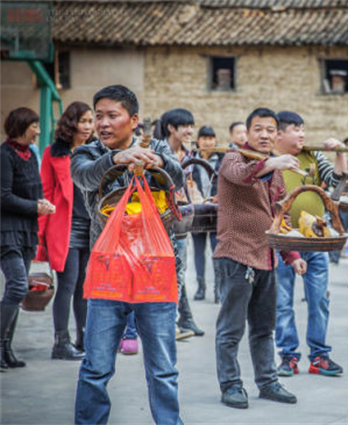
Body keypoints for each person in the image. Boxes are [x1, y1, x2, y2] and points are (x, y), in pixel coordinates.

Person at [71, 85, 185, 425]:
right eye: (98, 116)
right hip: (109, 271)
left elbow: (176, 178)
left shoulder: (158, 146)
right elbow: (86, 178)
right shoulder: (86, 153)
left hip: (154, 272)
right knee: (96, 367)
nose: (103, 124)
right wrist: (116, 159)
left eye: (112, 116)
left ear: (133, 120)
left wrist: (159, 162)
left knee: (163, 368)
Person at [213, 108, 306, 409]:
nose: (264, 135)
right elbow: (241, 176)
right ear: (248, 133)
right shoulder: (233, 158)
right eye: (258, 129)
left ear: (276, 134)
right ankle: (230, 385)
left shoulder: (276, 171)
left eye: (269, 130)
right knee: (231, 329)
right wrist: (271, 162)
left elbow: (280, 215)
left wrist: (291, 255)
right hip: (236, 255)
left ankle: (267, 382)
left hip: (266, 258)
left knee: (264, 328)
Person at [273, 111, 346, 377]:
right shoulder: (271, 161)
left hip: (316, 239)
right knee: (282, 303)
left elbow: (336, 182)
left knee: (319, 301)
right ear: (279, 134)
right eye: (296, 129)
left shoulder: (314, 156)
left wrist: (339, 153)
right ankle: (288, 356)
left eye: (303, 129)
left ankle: (319, 357)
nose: (302, 134)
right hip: (281, 241)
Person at [36, 101, 95, 360]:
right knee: (68, 285)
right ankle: (61, 343)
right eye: (84, 121)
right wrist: (40, 237)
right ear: (71, 124)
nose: (89, 127)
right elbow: (45, 193)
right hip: (65, 227)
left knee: (85, 286)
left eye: (91, 121)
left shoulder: (95, 152)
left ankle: (83, 340)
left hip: (91, 226)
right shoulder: (54, 153)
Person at [0, 107, 55, 370]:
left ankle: (6, 349)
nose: (38, 130)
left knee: (18, 289)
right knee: (18, 286)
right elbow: (3, 196)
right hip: (6, 231)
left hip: (26, 230)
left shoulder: (30, 155)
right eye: (34, 125)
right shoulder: (4, 155)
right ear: (21, 126)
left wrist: (41, 203)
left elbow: (33, 190)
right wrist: (35, 207)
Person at [157, 108, 203, 337]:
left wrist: (201, 199)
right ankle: (167, 323)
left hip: (183, 219)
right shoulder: (158, 152)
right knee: (163, 272)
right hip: (161, 220)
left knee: (180, 271)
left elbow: (193, 186)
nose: (190, 130)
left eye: (191, 125)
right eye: (185, 126)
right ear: (171, 128)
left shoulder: (190, 155)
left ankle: (174, 322)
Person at [191, 125, 223, 302]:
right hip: (197, 212)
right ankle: (200, 286)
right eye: (204, 138)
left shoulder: (222, 160)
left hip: (216, 212)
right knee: (198, 251)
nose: (208, 142)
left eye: (211, 138)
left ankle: (217, 288)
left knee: (216, 251)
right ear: (198, 141)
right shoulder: (192, 161)